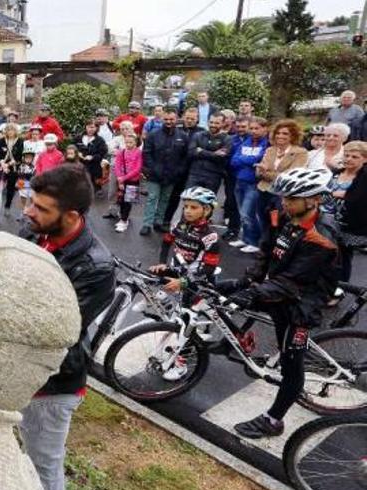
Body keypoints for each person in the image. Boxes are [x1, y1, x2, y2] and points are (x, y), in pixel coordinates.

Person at [220, 168, 338, 439]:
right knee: (227, 296)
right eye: (284, 197)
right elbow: (267, 251)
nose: (284, 202)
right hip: (279, 287)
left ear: (314, 200)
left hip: (301, 302)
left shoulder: (322, 238)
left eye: (292, 198)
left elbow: (292, 282)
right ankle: (230, 340)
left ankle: (273, 421)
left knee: (291, 366)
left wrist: (251, 293)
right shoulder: (284, 216)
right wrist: (248, 281)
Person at [19, 166, 115, 490]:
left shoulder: (96, 267)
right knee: (18, 455)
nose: (28, 212)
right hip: (17, 371)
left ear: (71, 216)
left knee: (43, 465)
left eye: (41, 208)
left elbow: (52, 330)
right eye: (31, 202)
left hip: (51, 384)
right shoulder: (34, 231)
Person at [148, 186, 221, 380]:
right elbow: (166, 243)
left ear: (206, 210)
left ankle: (181, 363)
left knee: (188, 324)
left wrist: (183, 282)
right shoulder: (179, 224)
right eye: (186, 206)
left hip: (198, 280)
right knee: (152, 282)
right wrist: (163, 263)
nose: (187, 210)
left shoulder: (210, 235)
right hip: (180, 271)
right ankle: (167, 307)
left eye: (194, 207)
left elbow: (208, 269)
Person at [256, 120, 308, 237]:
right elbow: (258, 172)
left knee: (278, 222)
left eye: (285, 133)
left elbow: (291, 176)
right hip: (264, 190)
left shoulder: (300, 152)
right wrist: (266, 172)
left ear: (293, 136)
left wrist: (267, 173)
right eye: (278, 133)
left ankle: (278, 249)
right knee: (264, 219)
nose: (280, 136)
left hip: (281, 195)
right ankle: (266, 247)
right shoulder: (270, 150)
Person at [141, 111, 189, 236]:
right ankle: (147, 224)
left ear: (176, 119)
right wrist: (152, 168)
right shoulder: (153, 135)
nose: (169, 122)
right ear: (162, 119)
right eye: (166, 119)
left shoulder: (183, 136)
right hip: (155, 174)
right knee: (152, 198)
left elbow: (185, 157)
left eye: (171, 119)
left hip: (172, 175)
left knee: (165, 199)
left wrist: (179, 170)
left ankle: (158, 221)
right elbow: (146, 153)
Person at [325, 141, 367, 286]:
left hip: (348, 224)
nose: (349, 159)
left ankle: (340, 288)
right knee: (324, 256)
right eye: (347, 155)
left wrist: (342, 194)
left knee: (341, 258)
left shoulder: (364, 177)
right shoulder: (337, 172)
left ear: (365, 159)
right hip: (326, 220)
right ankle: (323, 287)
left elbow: (359, 198)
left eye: (355, 157)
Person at [229, 118, 270, 253]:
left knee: (248, 213)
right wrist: (248, 161)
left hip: (253, 183)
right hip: (239, 180)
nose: (253, 131)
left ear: (265, 129)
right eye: (251, 128)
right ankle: (246, 239)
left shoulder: (267, 144)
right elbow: (233, 160)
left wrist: (244, 160)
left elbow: (258, 159)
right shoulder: (246, 141)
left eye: (256, 128)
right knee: (242, 213)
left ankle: (254, 242)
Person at [162, 107, 205, 230]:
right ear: (183, 117)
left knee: (191, 199)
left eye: (193, 118)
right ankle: (166, 220)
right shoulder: (176, 130)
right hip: (176, 169)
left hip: (193, 170)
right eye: (187, 118)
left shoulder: (201, 132)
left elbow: (200, 151)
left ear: (197, 119)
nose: (189, 120)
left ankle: (186, 223)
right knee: (173, 197)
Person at [221, 116, 252, 243]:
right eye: (238, 126)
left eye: (243, 126)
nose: (240, 129)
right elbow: (226, 156)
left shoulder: (253, 140)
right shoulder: (231, 139)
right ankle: (232, 230)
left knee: (246, 207)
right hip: (231, 176)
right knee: (232, 203)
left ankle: (249, 237)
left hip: (247, 178)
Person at [186, 114, 232, 193]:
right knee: (189, 200)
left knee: (207, 203)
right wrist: (213, 154)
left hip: (213, 176)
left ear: (223, 124)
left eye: (217, 123)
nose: (213, 125)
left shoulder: (227, 139)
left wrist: (201, 151)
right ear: (208, 122)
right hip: (195, 174)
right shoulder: (198, 135)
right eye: (211, 122)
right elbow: (191, 152)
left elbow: (221, 158)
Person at [0, 123, 23, 216]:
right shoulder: (1, 140)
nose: (10, 132)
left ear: (15, 131)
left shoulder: (20, 141)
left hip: (13, 168)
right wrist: (3, 164)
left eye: (12, 130)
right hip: (2, 167)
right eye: (8, 130)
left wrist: (8, 165)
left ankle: (7, 207)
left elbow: (19, 156)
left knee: (11, 188)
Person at [113, 134, 142, 233]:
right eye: (126, 142)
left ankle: (124, 220)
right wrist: (119, 178)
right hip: (122, 179)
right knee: (121, 200)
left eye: (131, 142)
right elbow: (117, 165)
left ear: (136, 142)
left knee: (128, 201)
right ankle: (122, 217)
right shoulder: (122, 152)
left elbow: (137, 169)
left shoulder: (139, 153)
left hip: (133, 180)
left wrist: (124, 178)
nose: (128, 144)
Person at [75, 120, 109, 191]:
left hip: (93, 167)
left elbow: (102, 153)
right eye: (89, 127)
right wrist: (77, 153)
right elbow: (72, 148)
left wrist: (92, 157)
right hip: (79, 165)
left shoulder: (100, 140)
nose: (91, 129)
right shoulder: (78, 138)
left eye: (93, 127)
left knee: (91, 188)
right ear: (86, 127)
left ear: (96, 128)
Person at [16, 141, 39, 220]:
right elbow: (19, 175)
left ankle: (31, 213)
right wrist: (18, 183)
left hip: (30, 184)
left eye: (30, 157)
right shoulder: (21, 166)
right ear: (24, 157)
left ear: (32, 158)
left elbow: (34, 175)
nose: (28, 159)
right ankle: (22, 211)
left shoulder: (34, 167)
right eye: (26, 157)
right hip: (22, 183)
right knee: (22, 198)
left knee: (32, 199)